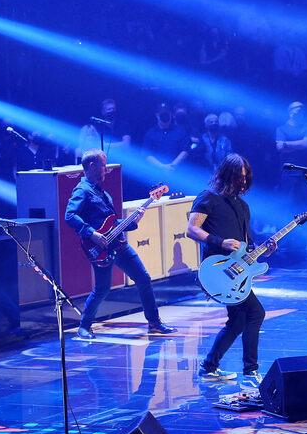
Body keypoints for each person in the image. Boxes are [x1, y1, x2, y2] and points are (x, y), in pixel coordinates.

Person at [65, 149, 175, 340]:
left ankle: (154, 322)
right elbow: (70, 215)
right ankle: (84, 327)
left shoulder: (103, 193)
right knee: (102, 288)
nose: (106, 169)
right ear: (92, 166)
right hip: (99, 247)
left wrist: (133, 221)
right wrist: (92, 234)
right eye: (103, 165)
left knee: (143, 278)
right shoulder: (82, 190)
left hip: (119, 244)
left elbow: (113, 222)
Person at [187, 154, 273, 387]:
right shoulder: (209, 198)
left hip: (237, 273)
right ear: (227, 175)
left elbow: (247, 244)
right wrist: (220, 241)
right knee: (256, 313)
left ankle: (208, 367)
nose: (243, 183)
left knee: (237, 321)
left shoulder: (242, 206)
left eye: (246, 178)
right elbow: (191, 230)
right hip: (217, 272)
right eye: (239, 178)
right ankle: (250, 371)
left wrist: (263, 249)